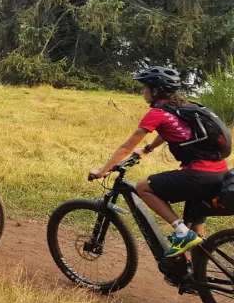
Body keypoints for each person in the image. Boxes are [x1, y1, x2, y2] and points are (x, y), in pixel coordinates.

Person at [89, 66, 229, 257]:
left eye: (145, 87)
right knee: (195, 229)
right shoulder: (183, 107)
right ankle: (196, 278)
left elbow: (126, 147)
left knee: (143, 187)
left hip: (198, 174)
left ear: (155, 91)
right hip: (219, 172)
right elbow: (169, 131)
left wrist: (102, 170)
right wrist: (147, 149)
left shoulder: (157, 113)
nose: (142, 92)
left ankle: (181, 232)